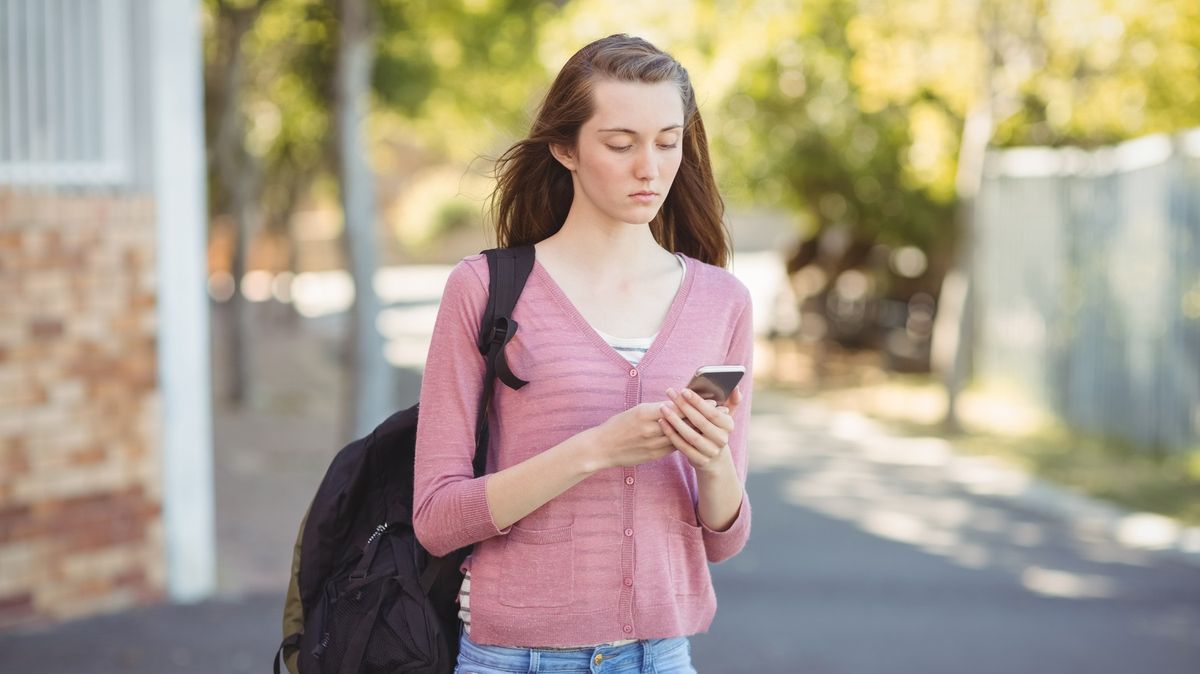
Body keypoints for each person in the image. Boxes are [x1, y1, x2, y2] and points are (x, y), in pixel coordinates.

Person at [413, 33, 754, 674]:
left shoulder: (722, 301)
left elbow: (725, 538)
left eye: (668, 141)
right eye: (620, 145)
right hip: (515, 658)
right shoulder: (485, 289)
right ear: (565, 148)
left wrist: (711, 461)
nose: (648, 168)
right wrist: (598, 448)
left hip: (662, 656)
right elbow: (437, 518)